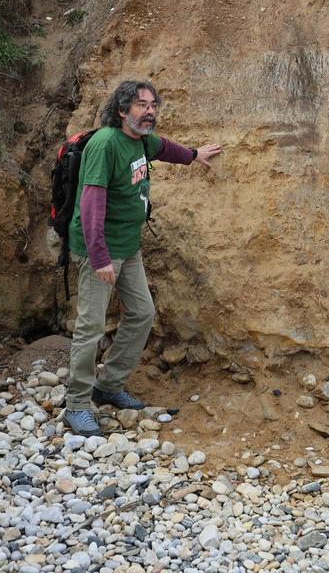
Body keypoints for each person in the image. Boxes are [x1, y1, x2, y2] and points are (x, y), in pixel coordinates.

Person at [63, 80, 222, 436]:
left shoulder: (141, 141)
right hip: (99, 250)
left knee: (142, 312)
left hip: (127, 246)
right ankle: (76, 405)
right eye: (140, 105)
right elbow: (90, 204)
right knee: (90, 326)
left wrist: (195, 155)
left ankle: (109, 385)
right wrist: (100, 257)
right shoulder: (106, 145)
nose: (149, 111)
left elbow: (164, 148)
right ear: (121, 111)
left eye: (152, 105)